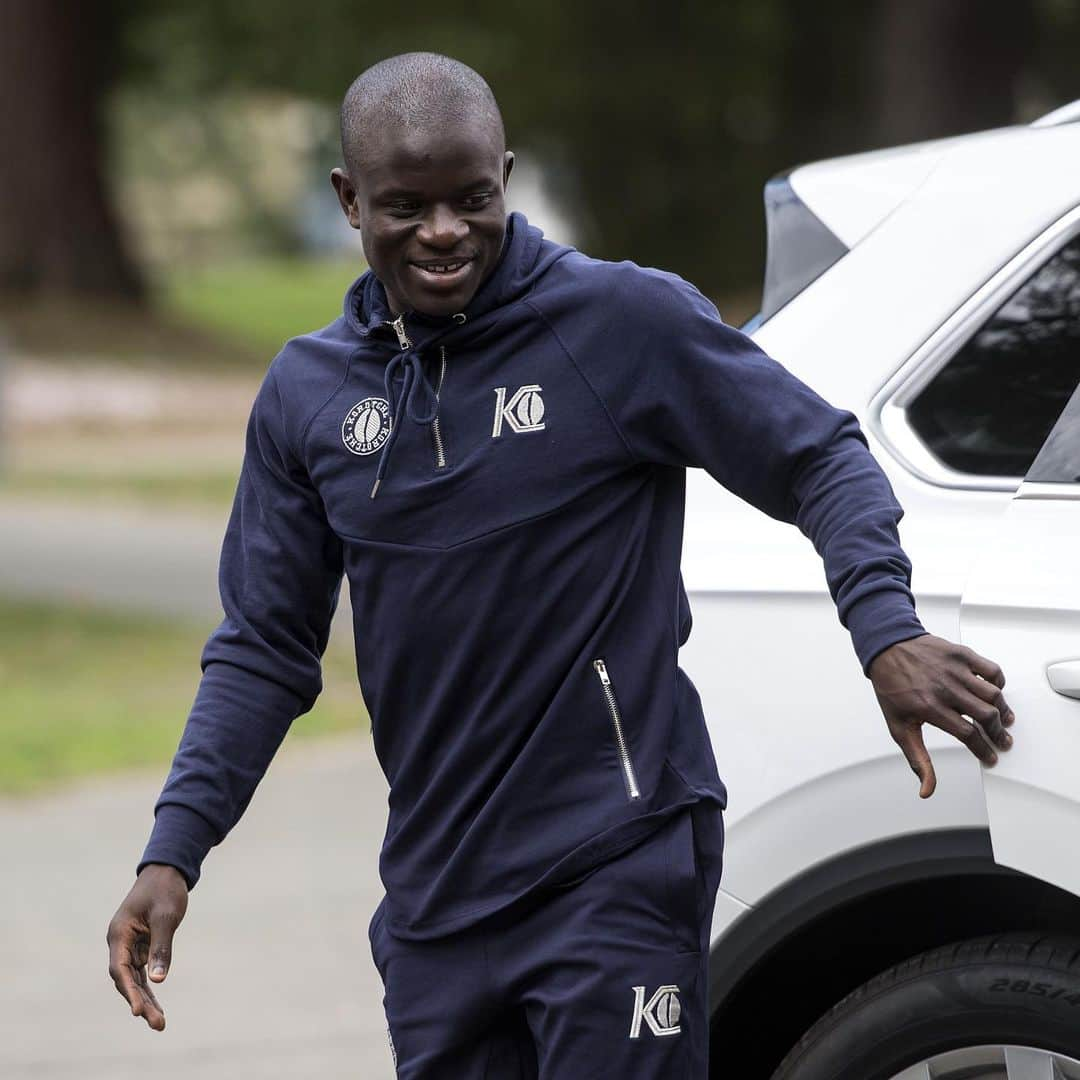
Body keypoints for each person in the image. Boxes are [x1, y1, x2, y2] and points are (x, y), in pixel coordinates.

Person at [106, 51, 1015, 1078]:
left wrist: (883, 629)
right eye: (406, 205)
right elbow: (265, 649)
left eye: (472, 198)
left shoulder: (619, 326)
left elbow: (819, 455)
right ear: (348, 201)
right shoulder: (307, 397)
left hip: (616, 863)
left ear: (505, 173)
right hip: (438, 898)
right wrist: (173, 850)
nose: (445, 232)